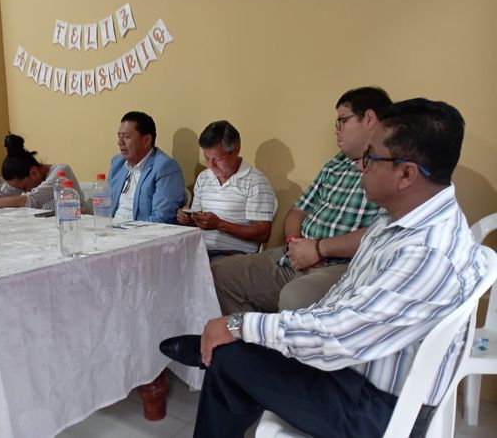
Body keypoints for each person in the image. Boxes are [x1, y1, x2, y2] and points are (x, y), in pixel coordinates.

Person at [161, 98, 485, 438]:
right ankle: (223, 355)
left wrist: (237, 324)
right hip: (358, 370)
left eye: (371, 157)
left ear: (406, 174)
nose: (360, 167)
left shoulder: (427, 252)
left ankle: (218, 353)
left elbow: (341, 335)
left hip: (376, 407)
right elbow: (346, 304)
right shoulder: (401, 219)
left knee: (230, 358)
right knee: (235, 358)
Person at [211, 87, 391, 314]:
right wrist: (295, 243)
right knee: (218, 274)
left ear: (369, 118)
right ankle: (248, 334)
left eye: (342, 121)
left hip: (343, 264)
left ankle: (272, 333)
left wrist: (318, 249)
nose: (337, 130)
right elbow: (297, 211)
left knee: (295, 296)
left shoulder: (390, 169)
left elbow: (381, 233)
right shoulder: (335, 164)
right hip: (296, 254)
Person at [177, 120, 275, 259]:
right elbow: (198, 221)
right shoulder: (204, 177)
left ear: (235, 151)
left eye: (217, 159)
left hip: (234, 254)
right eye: (207, 158)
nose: (211, 165)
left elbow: (263, 234)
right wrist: (188, 219)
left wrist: (220, 224)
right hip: (200, 249)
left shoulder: (256, 181)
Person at [0, 134, 83, 209]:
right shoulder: (25, 178)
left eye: (23, 187)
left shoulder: (61, 172)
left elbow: (29, 200)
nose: (22, 190)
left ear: (33, 172)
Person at [109, 111, 185, 223]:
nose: (120, 142)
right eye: (119, 136)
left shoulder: (165, 167)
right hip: (113, 227)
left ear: (146, 140)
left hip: (143, 231)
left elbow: (162, 218)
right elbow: (105, 205)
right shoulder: (117, 163)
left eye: (127, 137)